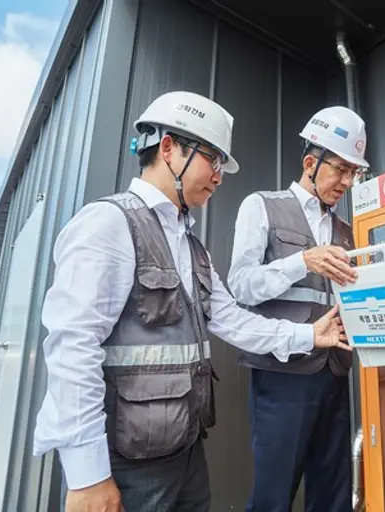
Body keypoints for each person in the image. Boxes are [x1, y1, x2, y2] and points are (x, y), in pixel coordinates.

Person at [32, 91, 351, 512]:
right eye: (212, 159)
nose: (219, 176)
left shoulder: (192, 248)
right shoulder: (110, 223)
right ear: (169, 149)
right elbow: (73, 346)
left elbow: (233, 321)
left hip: (184, 450)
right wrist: (88, 474)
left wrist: (310, 334)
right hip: (126, 462)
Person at [227, 105, 367, 511]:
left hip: (334, 372)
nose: (346, 181)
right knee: (274, 495)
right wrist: (300, 262)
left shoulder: (345, 231)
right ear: (311, 162)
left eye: (353, 172)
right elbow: (241, 286)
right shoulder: (262, 206)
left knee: (333, 495)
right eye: (340, 169)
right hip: (282, 375)